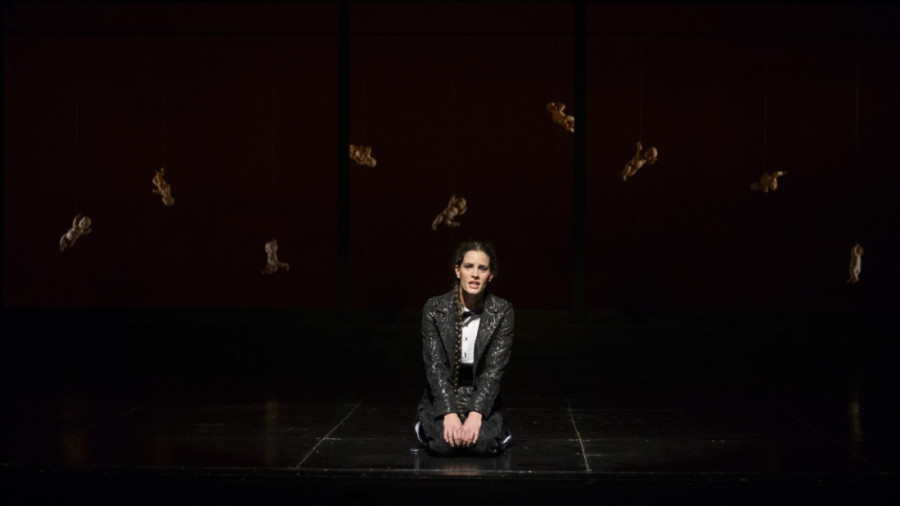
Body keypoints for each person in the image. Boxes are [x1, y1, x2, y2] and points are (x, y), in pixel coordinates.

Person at [414, 241, 514, 456]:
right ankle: (423, 426)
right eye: (469, 267)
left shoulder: (502, 311)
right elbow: (435, 367)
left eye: (482, 268)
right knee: (444, 443)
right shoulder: (434, 308)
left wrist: (476, 414)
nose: (475, 274)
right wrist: (448, 413)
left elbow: (494, 370)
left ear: (491, 275)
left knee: (480, 443)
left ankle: (499, 430)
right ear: (458, 270)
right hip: (445, 392)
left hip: (480, 392)